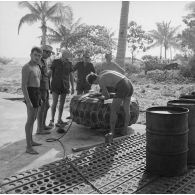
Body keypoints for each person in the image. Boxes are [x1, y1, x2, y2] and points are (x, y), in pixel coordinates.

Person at [86, 70, 133, 137]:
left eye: (95, 83)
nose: (96, 84)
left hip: (122, 86)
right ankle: (125, 131)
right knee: (127, 109)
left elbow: (107, 96)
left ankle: (112, 132)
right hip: (129, 83)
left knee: (113, 110)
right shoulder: (103, 73)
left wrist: (103, 99)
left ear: (93, 81)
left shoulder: (100, 80)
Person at [22, 47, 43, 155]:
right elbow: (24, 86)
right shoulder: (26, 67)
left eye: (39, 56)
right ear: (31, 55)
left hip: (37, 93)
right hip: (30, 93)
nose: (37, 57)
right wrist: (28, 101)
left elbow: (38, 82)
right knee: (30, 120)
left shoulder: (38, 66)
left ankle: (31, 141)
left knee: (34, 118)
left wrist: (40, 98)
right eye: (35, 55)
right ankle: (28, 147)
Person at [49, 51, 74, 129]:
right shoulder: (56, 62)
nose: (67, 59)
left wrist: (72, 87)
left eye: (68, 58)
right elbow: (50, 73)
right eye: (66, 57)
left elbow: (71, 75)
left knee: (62, 103)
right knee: (55, 102)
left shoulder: (69, 63)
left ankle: (59, 119)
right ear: (62, 56)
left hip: (65, 85)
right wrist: (48, 84)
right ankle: (52, 120)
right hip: (55, 85)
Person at [36, 45, 54, 135]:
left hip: (45, 87)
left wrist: (50, 71)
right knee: (41, 108)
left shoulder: (44, 61)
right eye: (48, 53)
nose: (50, 55)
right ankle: (39, 129)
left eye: (50, 53)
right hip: (41, 87)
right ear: (43, 51)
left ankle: (43, 125)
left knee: (46, 106)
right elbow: (38, 76)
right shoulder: (39, 61)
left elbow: (46, 75)